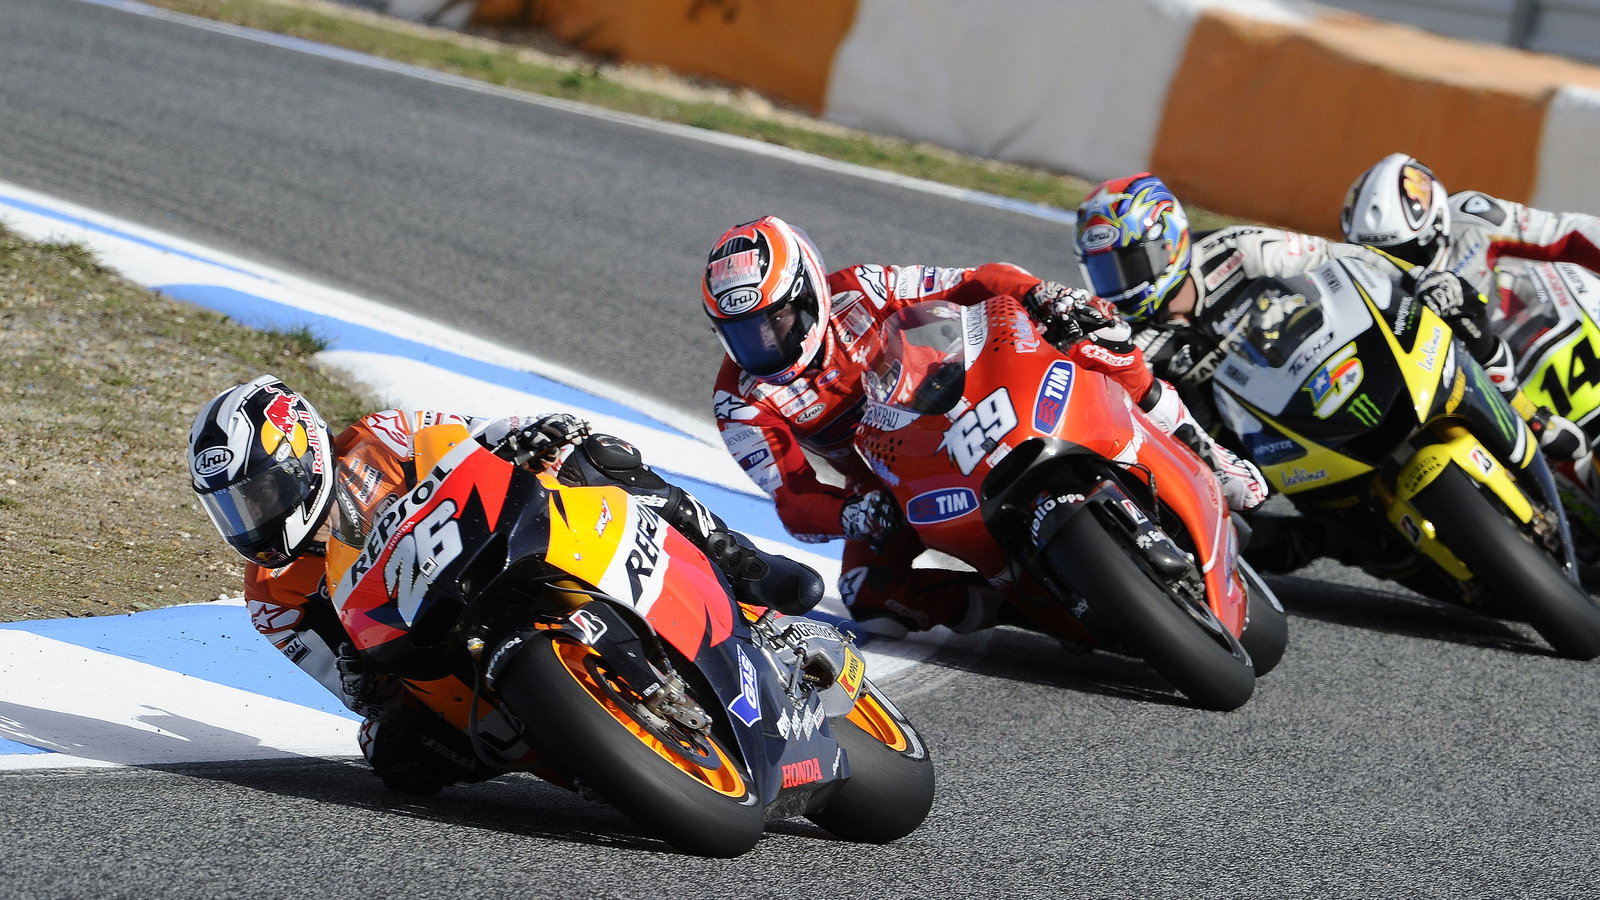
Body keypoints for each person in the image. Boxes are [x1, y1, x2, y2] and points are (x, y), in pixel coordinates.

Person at [187, 375, 822, 796]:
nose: (254, 519)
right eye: (233, 509)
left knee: (595, 454)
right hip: (434, 648)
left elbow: (476, 436)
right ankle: (582, 746)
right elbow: (357, 692)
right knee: (394, 754)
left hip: (511, 543)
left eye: (262, 493)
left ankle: (742, 563)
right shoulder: (273, 595)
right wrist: (361, 682)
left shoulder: (380, 439)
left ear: (305, 456)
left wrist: (530, 435)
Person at [702, 215, 1265, 638]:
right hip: (893, 476)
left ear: (809, 292)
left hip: (963, 390)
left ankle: (1206, 452)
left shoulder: (863, 286)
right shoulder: (739, 401)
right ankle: (1025, 605)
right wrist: (853, 513)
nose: (765, 344)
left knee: (1101, 342)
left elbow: (976, 281)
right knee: (867, 599)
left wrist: (1040, 294)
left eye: (775, 320)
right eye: (744, 332)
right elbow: (794, 499)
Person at [1074, 172, 1589, 569]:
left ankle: (1528, 420)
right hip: (1255, 450)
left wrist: (1419, 281)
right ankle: (1342, 545)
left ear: (1171, 243)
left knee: (1457, 322)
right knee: (1272, 541)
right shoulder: (1132, 340)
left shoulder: (1235, 250)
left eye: (1131, 263)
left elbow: (1340, 260)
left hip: (1319, 367)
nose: (1121, 283)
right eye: (1105, 272)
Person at [1341, 152, 1600, 463]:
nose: (1397, 265)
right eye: (1380, 256)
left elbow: (1565, 232)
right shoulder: (1360, 282)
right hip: (1477, 388)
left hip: (1540, 327)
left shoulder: (1472, 216)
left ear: (1437, 226)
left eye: (1406, 251)